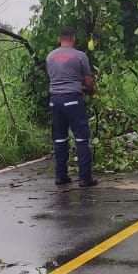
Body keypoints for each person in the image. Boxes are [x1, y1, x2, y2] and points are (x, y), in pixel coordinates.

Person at [45, 28, 98, 188]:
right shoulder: (80, 56)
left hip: (55, 100)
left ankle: (60, 176)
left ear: (59, 39)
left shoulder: (50, 56)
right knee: (81, 138)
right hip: (73, 100)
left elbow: (54, 78)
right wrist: (90, 90)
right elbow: (88, 81)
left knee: (60, 138)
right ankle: (85, 178)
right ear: (73, 38)